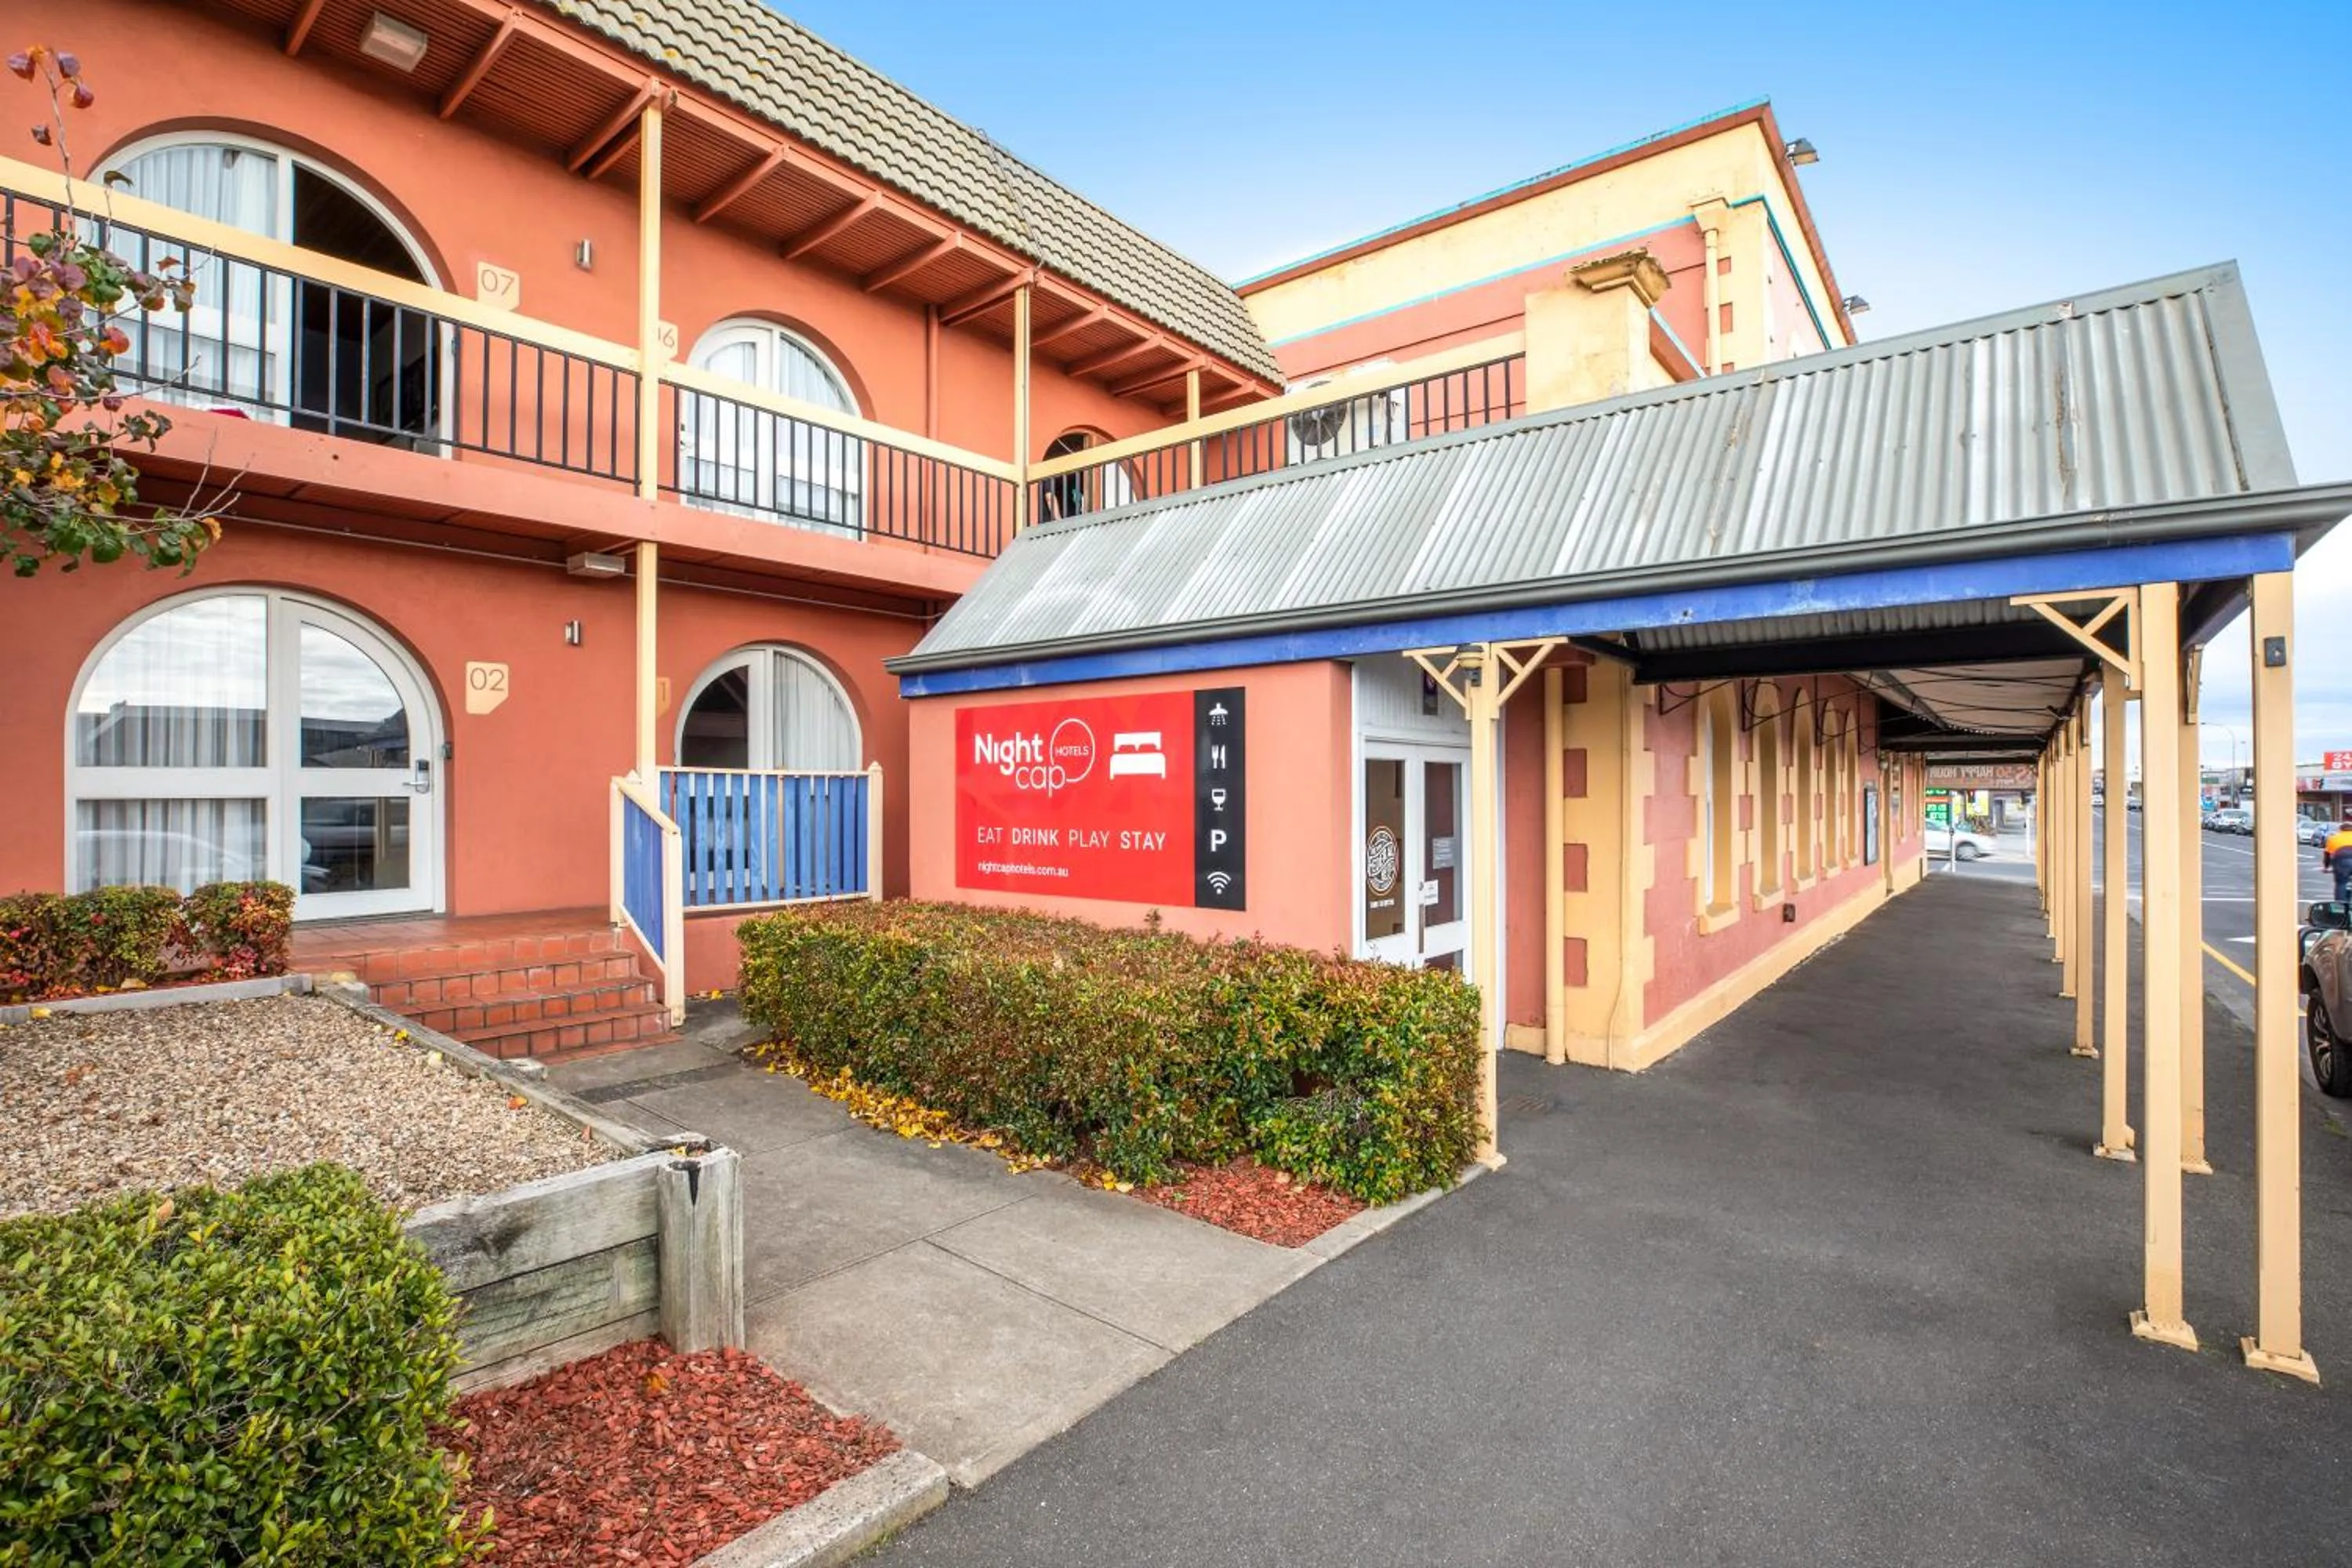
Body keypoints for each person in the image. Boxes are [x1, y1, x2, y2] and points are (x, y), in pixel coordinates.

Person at [2325, 813, 2352, 904]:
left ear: (2340, 829)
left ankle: (2340, 905)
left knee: (2341, 883)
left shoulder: (2333, 838)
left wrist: (2326, 867)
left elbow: (2327, 855)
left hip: (2341, 863)